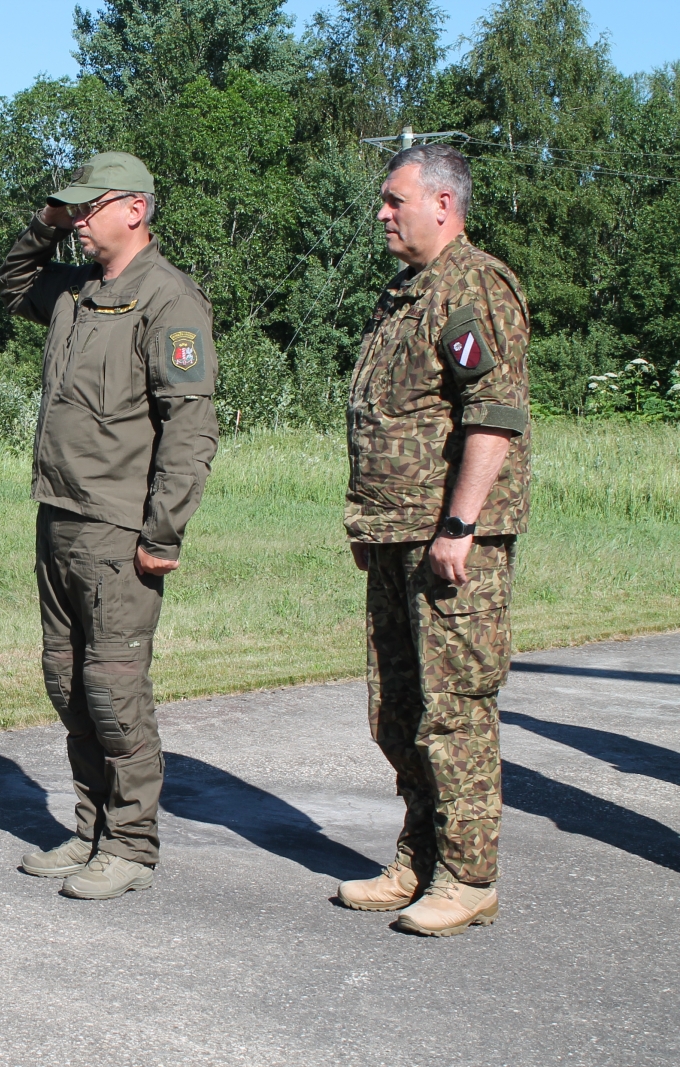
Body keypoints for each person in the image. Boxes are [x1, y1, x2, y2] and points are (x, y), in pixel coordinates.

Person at [0, 152, 219, 900]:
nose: (78, 221)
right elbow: (14, 284)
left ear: (134, 209)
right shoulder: (77, 291)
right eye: (73, 208)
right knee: (68, 683)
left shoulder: (168, 300)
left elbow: (189, 428)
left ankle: (130, 843)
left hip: (117, 529)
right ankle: (91, 827)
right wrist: (45, 223)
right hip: (59, 515)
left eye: (88, 208)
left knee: (115, 691)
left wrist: (163, 533)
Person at [337, 144, 531, 936]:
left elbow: (494, 413)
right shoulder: (405, 293)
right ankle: (419, 858)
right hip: (396, 533)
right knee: (399, 709)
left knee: (455, 711)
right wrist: (373, 523)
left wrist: (460, 524)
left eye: (395, 199)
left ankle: (468, 876)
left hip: (449, 541)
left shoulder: (472, 285)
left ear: (443, 204)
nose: (382, 212)